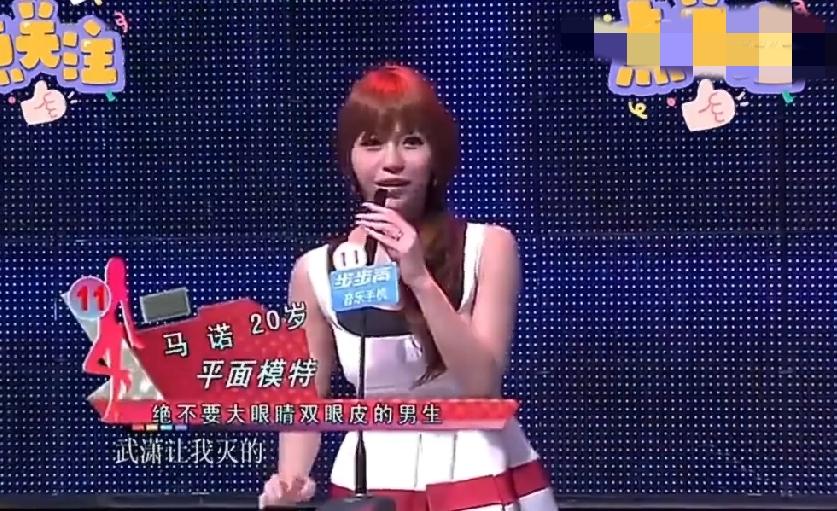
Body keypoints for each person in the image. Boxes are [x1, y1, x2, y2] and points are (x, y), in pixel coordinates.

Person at [259, 64, 557, 511]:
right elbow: (306, 396)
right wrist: (290, 480)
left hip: (476, 467)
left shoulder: (487, 246)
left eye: (412, 141)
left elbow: (482, 383)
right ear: (349, 158)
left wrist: (418, 276)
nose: (392, 161)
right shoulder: (315, 270)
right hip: (369, 475)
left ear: (436, 157)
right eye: (372, 143)